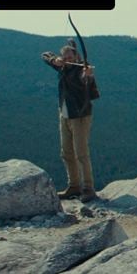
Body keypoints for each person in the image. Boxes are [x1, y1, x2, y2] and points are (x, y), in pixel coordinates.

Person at [41, 39, 100, 203]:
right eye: (64, 56)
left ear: (76, 56)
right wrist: (55, 60)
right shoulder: (63, 67)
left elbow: (87, 80)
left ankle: (88, 188)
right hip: (65, 114)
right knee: (66, 152)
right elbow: (45, 55)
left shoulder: (82, 70)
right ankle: (74, 186)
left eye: (70, 55)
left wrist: (88, 75)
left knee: (81, 152)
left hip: (80, 115)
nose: (67, 58)